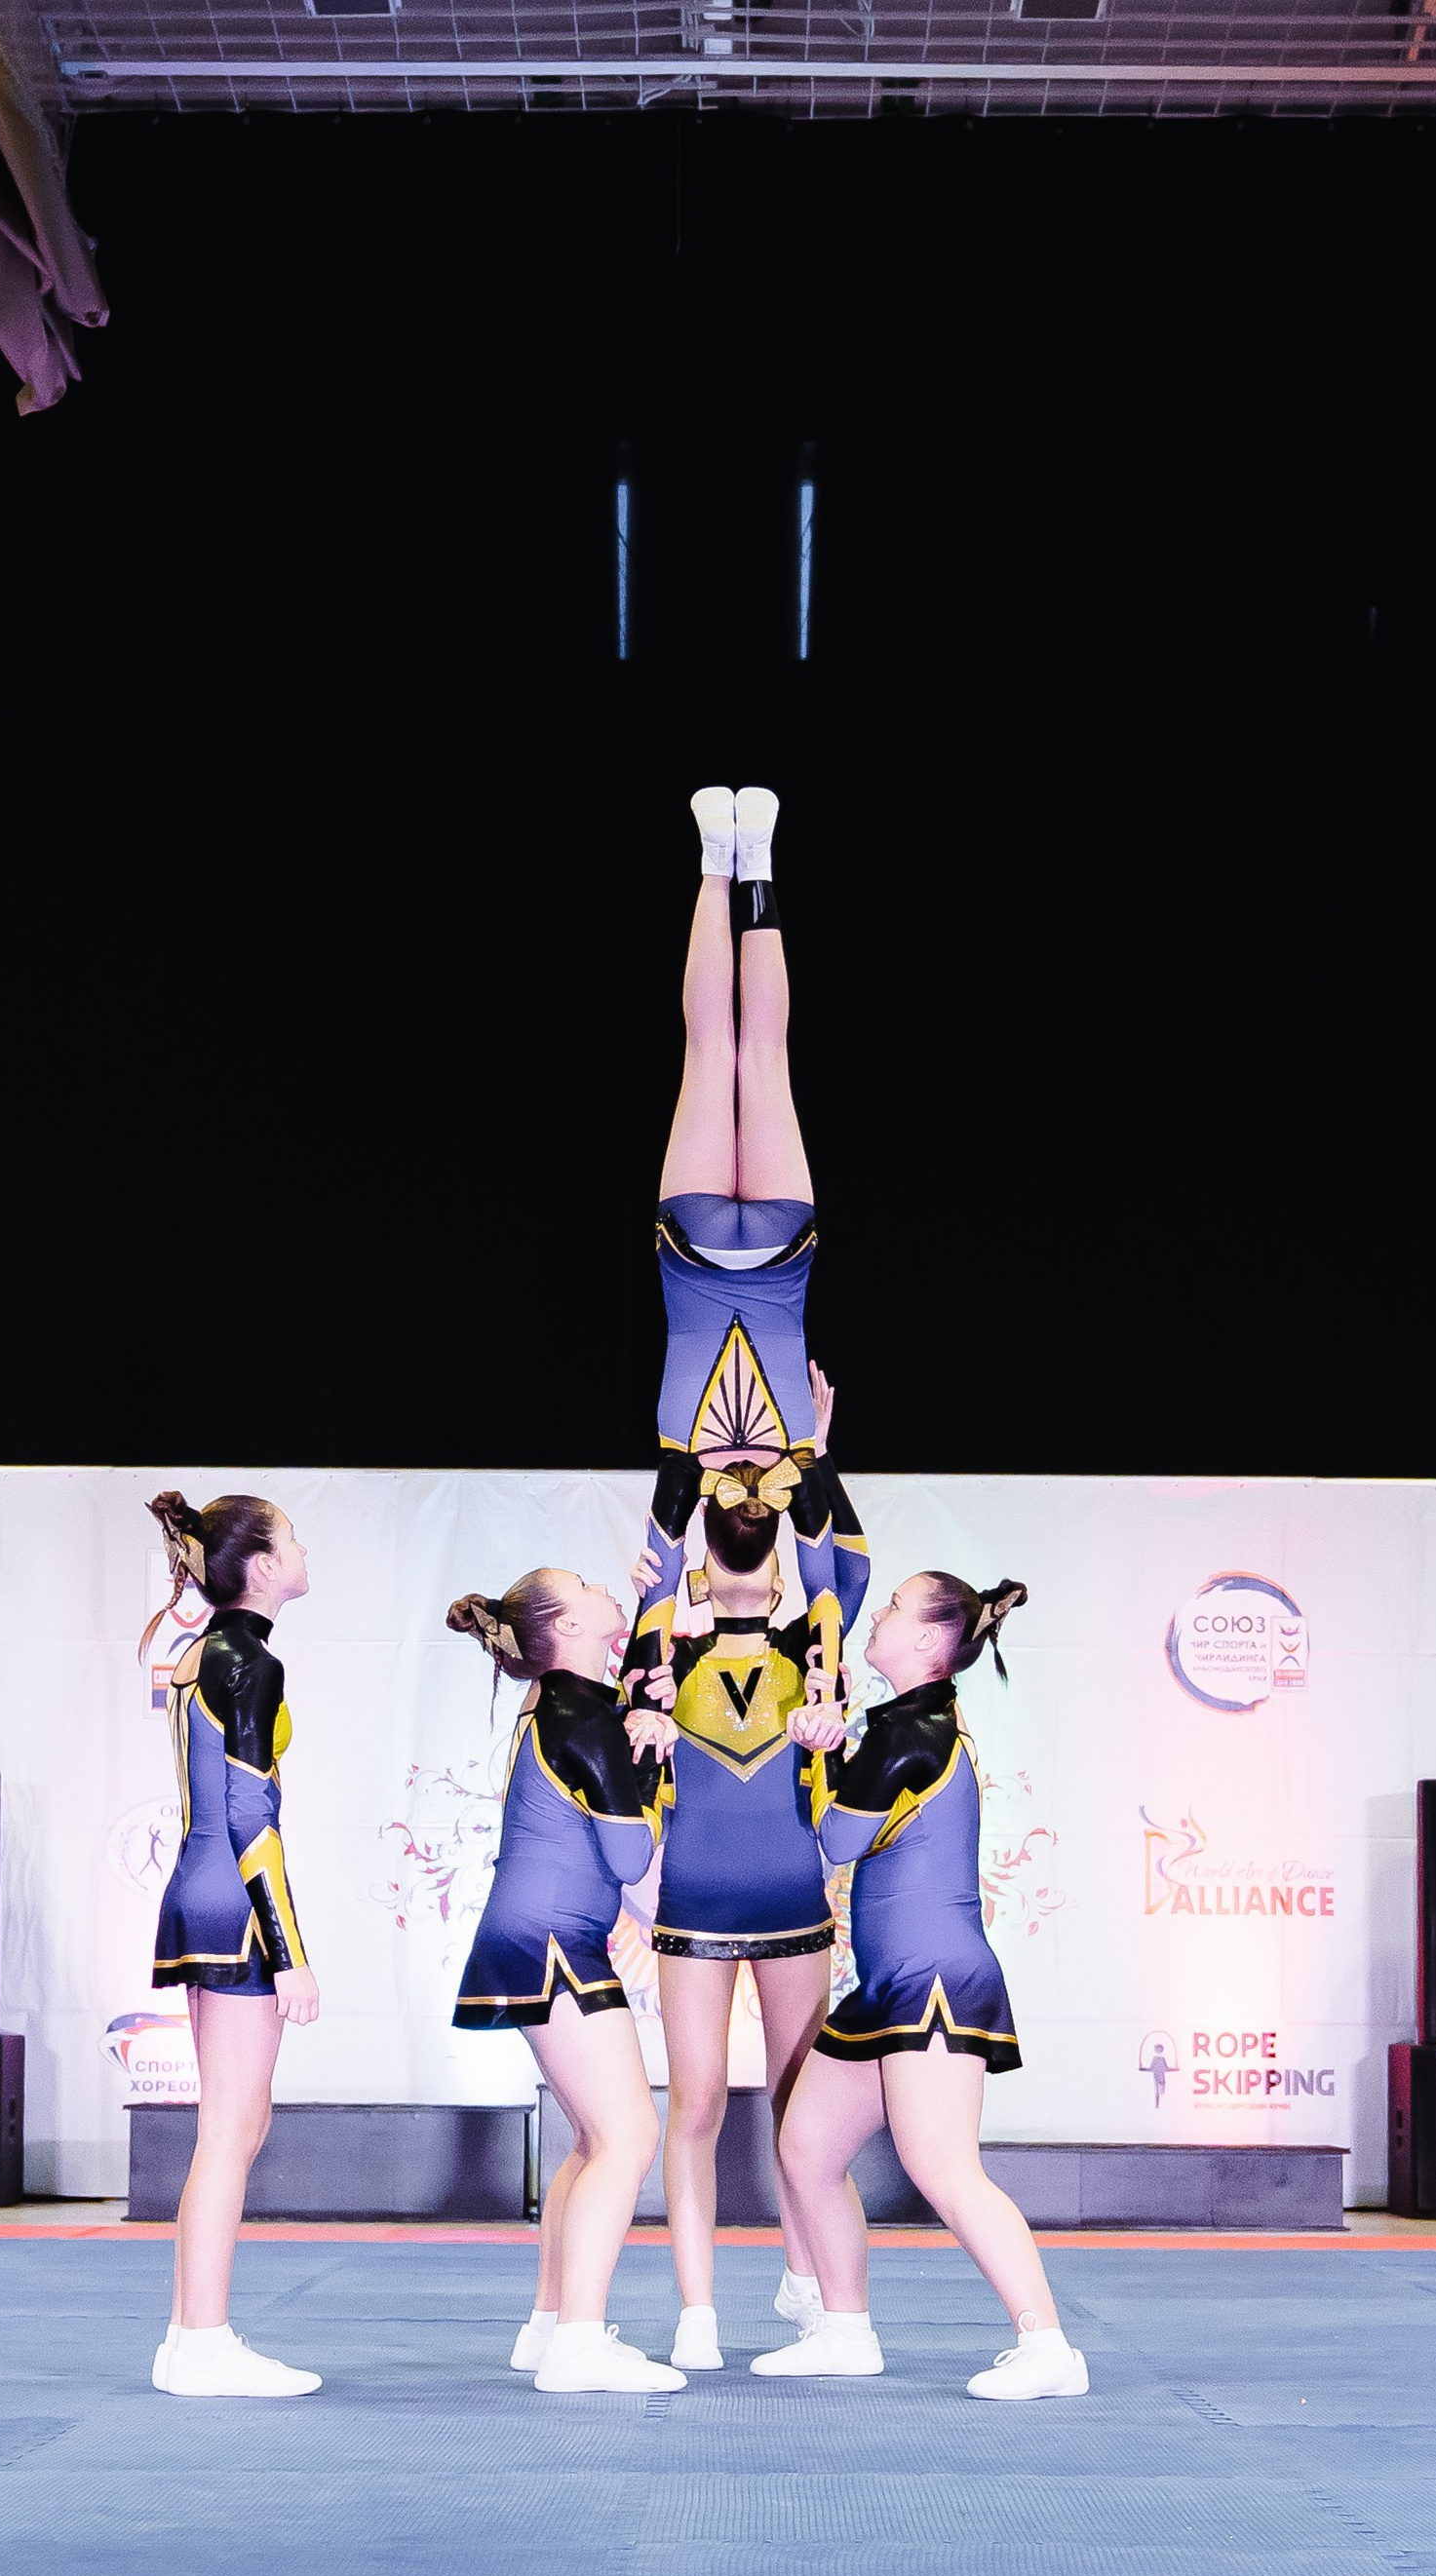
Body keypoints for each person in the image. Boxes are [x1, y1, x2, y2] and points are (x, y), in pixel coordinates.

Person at [619, 785, 871, 2362]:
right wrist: (818, 1453)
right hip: (775, 1268)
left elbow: (664, 1591)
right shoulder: (795, 1524)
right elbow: (830, 1574)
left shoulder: (685, 1506)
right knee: (739, 1057)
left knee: (721, 1056)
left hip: (692, 1263)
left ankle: (733, 858)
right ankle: (743, 859)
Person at [753, 1572, 1091, 2403]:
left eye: (896, 1607)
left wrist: (818, 1749)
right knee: (806, 2147)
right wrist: (830, 1741)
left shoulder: (913, 1731)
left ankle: (1047, 2344)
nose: (879, 1614)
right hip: (890, 1985)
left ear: (932, 1640)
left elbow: (837, 1838)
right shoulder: (912, 1723)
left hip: (932, 1981)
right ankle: (844, 2331)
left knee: (944, 2165)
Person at [624, 1455, 866, 2371]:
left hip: (792, 1902)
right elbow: (653, 1592)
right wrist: (680, 1481)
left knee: (796, 2103)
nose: (748, 1560)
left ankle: (804, 2283)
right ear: (698, 1571)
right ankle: (697, 2310)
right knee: (697, 2103)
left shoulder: (815, 1651)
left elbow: (845, 1573)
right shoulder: (665, 1658)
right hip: (694, 1903)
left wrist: (811, 1461)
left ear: (778, 1576)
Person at [448, 1569, 685, 2395]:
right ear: (569, 1626)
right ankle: (579, 2342)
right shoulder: (580, 1716)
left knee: (595, 2138)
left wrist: (640, 1716)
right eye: (584, 1584)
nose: (600, 1582)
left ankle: (551, 2325)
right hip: (555, 1941)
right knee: (629, 2136)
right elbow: (631, 1858)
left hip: (542, 1933)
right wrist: (648, 1757)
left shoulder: (560, 1703)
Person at [141, 1489, 322, 2399]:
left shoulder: (202, 1654)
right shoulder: (247, 1662)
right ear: (260, 1564)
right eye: (292, 1539)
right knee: (228, 2130)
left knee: (237, 2127)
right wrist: (289, 1952)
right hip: (234, 1899)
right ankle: (202, 2341)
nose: (303, 1550)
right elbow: (251, 1815)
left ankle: (189, 2335)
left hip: (200, 1886)